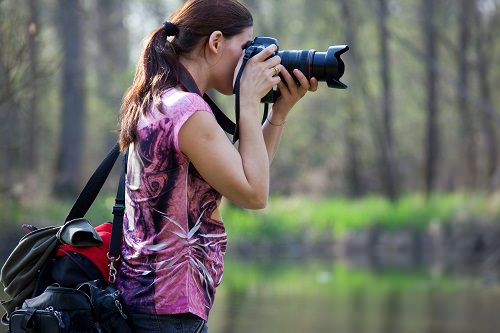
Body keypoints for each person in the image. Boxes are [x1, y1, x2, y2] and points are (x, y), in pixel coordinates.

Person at [116, 0, 318, 332]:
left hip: (151, 301)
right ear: (215, 42)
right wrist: (249, 103)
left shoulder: (163, 100)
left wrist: (276, 114)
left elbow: (244, 176)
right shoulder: (189, 111)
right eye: (246, 48)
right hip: (171, 310)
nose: (251, 61)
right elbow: (255, 195)